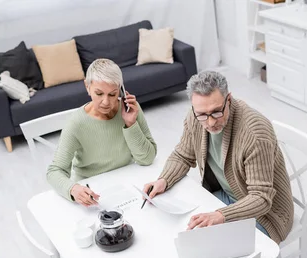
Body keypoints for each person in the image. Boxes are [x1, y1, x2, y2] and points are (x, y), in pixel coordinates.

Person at [143, 70, 294, 244]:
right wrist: (163, 180)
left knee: (214, 248)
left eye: (216, 112)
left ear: (228, 99)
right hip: (225, 195)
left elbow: (261, 197)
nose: (210, 122)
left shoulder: (255, 133)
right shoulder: (195, 117)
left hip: (267, 216)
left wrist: (222, 215)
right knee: (180, 229)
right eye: (202, 114)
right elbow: (182, 155)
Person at [47, 58, 157, 206]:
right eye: (99, 93)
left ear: (121, 89)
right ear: (87, 87)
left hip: (128, 182)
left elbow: (147, 158)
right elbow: (55, 171)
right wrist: (73, 188)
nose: (106, 102)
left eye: (112, 94)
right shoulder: (76, 123)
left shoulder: (131, 109)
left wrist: (130, 124)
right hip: (94, 191)